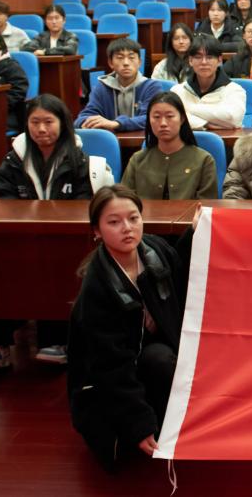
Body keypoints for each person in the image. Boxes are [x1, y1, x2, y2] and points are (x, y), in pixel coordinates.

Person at [68, 185, 196, 470]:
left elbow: (181, 271)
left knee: (161, 358)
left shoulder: (154, 249)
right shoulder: (96, 288)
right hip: (110, 378)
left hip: (150, 359)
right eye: (114, 222)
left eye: (134, 218)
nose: (127, 228)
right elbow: (110, 366)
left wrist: (195, 233)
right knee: (122, 451)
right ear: (97, 231)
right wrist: (139, 423)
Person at [0, 94, 106, 370]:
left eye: (48, 122)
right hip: (22, 237)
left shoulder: (79, 160)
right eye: (35, 122)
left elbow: (85, 203)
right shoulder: (14, 160)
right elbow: (1, 199)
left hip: (64, 240)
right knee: (0, 266)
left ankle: (55, 340)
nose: (41, 129)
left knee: (58, 265)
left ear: (62, 123)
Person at [122, 92, 217, 199]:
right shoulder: (137, 160)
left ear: (182, 119)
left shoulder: (204, 160)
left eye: (169, 116)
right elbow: (124, 200)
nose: (163, 123)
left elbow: (206, 205)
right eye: (156, 117)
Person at [76, 37, 160, 133]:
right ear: (110, 63)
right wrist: (87, 122)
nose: (126, 63)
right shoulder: (102, 87)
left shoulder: (151, 86)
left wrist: (117, 123)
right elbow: (83, 117)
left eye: (131, 57)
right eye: (120, 58)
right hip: (109, 140)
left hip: (143, 139)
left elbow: (151, 118)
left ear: (139, 62)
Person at [173, 34, 246, 130]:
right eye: (198, 57)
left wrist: (188, 108)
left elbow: (233, 118)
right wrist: (204, 124)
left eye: (209, 57)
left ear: (219, 60)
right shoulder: (177, 91)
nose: (204, 62)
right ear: (190, 60)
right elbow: (172, 119)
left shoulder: (235, 90)